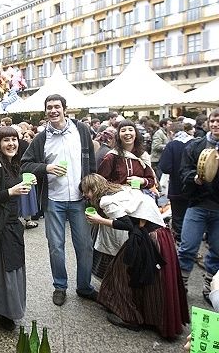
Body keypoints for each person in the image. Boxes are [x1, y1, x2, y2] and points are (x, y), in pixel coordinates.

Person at [81, 174, 189, 338]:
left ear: (93, 189)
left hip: (149, 237)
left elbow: (127, 225)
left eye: (85, 192)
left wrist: (99, 220)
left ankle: (130, 317)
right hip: (160, 234)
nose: (84, 196)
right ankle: (148, 316)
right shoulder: (120, 189)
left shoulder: (105, 201)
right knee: (147, 277)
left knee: (121, 273)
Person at [21, 94, 97, 307]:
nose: (53, 111)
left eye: (57, 107)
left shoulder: (81, 130)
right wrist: (46, 168)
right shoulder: (41, 138)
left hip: (80, 199)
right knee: (56, 246)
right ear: (45, 111)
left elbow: (90, 161)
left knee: (85, 246)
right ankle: (60, 286)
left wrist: (92, 191)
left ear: (65, 108)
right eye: (49, 108)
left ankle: (84, 286)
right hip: (54, 200)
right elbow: (24, 164)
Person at [94, 120, 157, 279]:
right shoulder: (111, 157)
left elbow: (151, 181)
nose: (127, 133)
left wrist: (142, 181)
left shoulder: (142, 157)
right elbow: (100, 182)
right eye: (123, 130)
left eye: (131, 129)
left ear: (136, 133)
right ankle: (112, 286)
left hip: (137, 207)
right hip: (117, 206)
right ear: (118, 135)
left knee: (133, 243)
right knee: (115, 243)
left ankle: (130, 282)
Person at [0, 126, 32, 330]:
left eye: (14, 139)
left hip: (12, 223)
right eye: (6, 140)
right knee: (5, 269)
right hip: (1, 226)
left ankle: (7, 309)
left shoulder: (12, 163)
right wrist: (11, 192)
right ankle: (4, 312)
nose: (11, 144)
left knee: (12, 266)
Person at [178, 108, 219, 307]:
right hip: (198, 204)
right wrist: (194, 178)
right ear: (207, 123)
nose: (215, 124)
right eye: (213, 121)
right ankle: (181, 285)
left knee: (218, 250)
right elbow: (183, 170)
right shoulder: (195, 145)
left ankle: (210, 286)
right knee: (187, 247)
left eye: (218, 121)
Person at [158, 122, 194, 242]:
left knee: (178, 219)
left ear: (171, 133)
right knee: (193, 218)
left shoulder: (172, 145)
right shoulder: (196, 143)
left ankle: (182, 244)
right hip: (195, 187)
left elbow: (165, 167)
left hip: (177, 188)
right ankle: (192, 243)